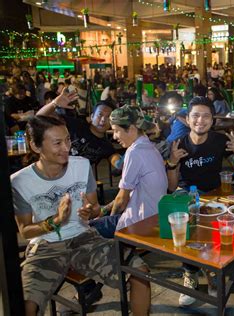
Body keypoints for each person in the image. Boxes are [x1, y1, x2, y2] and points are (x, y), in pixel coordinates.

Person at [10, 115, 150, 316]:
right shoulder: (19, 181)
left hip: (85, 238)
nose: (66, 147)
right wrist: (55, 221)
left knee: (140, 273)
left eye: (67, 140)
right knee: (26, 305)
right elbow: (25, 230)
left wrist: (91, 211)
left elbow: (93, 207)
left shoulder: (81, 165)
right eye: (57, 143)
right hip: (46, 246)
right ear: (35, 146)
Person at [166, 96, 234, 305]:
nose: (200, 120)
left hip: (216, 194)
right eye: (196, 116)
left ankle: (211, 271)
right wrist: (173, 163)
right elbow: (172, 187)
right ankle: (190, 274)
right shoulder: (178, 143)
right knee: (186, 225)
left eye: (206, 116)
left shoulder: (220, 140)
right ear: (187, 119)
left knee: (227, 224)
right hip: (186, 195)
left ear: (213, 119)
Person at [89, 106, 168, 238]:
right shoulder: (150, 147)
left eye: (116, 131)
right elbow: (124, 194)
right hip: (154, 216)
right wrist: (104, 211)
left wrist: (111, 219)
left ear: (131, 129)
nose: (114, 136)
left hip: (140, 223)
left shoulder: (134, 152)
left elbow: (121, 200)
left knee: (86, 228)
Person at [37, 89, 116, 165]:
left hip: (76, 177)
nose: (103, 120)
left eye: (108, 117)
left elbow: (117, 161)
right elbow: (39, 118)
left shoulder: (105, 146)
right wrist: (54, 103)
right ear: (92, 116)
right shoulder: (75, 125)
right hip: (54, 170)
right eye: (100, 114)